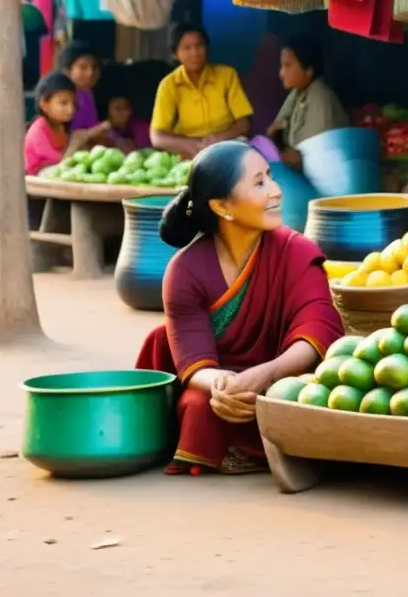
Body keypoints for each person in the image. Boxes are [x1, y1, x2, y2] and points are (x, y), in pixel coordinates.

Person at [135, 141, 344, 475]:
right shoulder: (184, 271)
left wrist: (267, 374)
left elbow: (317, 330)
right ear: (222, 206)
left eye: (271, 177)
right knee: (198, 405)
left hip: (285, 376)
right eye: (259, 183)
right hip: (225, 387)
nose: (276, 191)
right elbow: (193, 361)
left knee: (295, 399)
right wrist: (225, 385)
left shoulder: (297, 251)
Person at [150, 22, 254, 159]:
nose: (195, 53)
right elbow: (157, 137)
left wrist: (218, 139)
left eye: (199, 45)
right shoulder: (169, 85)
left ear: (206, 47)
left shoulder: (227, 75)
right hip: (188, 152)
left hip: (225, 146)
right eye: (187, 48)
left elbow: (244, 123)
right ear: (175, 54)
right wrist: (192, 145)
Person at [266, 35, 348, 170]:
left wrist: (272, 156)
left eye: (288, 66)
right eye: (282, 66)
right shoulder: (297, 93)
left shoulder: (321, 99)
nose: (281, 73)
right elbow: (272, 131)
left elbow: (304, 158)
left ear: (309, 70)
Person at [24, 72, 110, 176]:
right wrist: (75, 144)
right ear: (44, 104)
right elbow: (61, 166)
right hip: (37, 182)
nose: (71, 109)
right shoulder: (38, 130)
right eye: (63, 103)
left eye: (73, 103)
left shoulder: (61, 126)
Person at [59, 41, 107, 135]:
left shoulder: (87, 95)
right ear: (67, 70)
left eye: (94, 67)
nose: (90, 73)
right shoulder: (59, 98)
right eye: (83, 67)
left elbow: (93, 127)